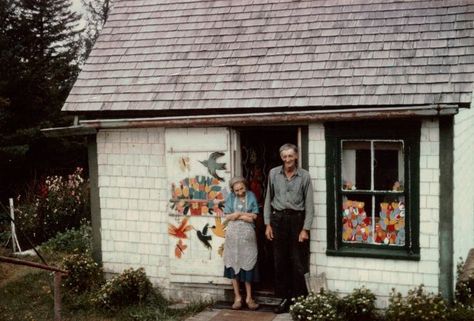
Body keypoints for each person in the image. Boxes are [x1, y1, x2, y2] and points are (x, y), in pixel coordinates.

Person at [264, 143, 314, 314]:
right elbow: (268, 198)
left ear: (296, 156)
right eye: (284, 157)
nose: (287, 160)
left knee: (298, 261)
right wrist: (267, 224)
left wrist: (305, 228)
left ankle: (299, 300)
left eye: (290, 156)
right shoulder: (273, 173)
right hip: (278, 220)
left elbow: (309, 204)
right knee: (280, 261)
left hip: (297, 221)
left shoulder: (304, 176)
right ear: (281, 158)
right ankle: (284, 299)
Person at [223, 176, 260, 310]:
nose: (239, 192)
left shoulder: (251, 196)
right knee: (233, 263)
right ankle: (237, 297)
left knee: (248, 264)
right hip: (232, 236)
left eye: (242, 189)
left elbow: (254, 216)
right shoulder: (231, 198)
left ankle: (249, 298)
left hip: (247, 237)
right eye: (236, 190)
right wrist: (245, 215)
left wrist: (237, 214)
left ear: (245, 186)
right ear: (233, 190)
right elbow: (227, 216)